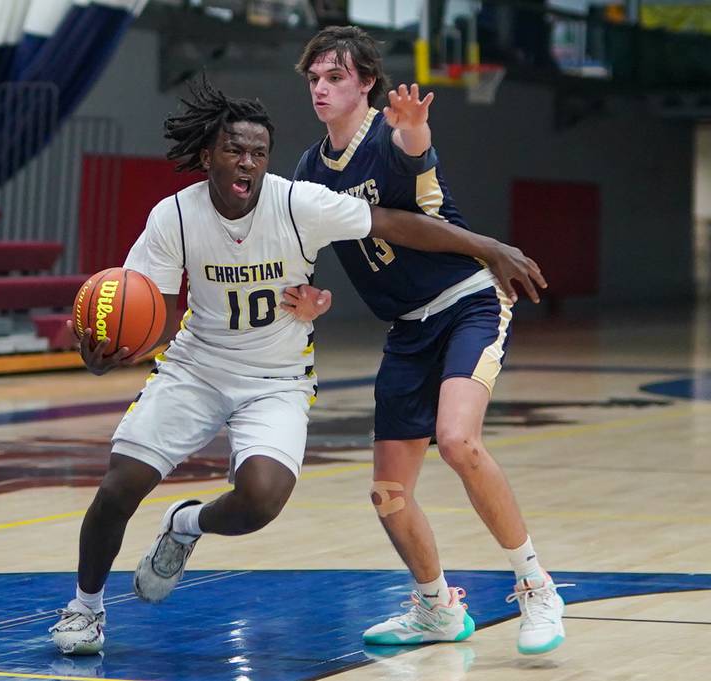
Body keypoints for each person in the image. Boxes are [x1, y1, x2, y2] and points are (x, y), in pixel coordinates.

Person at [49, 77, 542, 656]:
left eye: (259, 152)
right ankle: (84, 610)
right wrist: (115, 353)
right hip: (197, 368)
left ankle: (186, 524)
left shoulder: (295, 200)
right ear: (208, 155)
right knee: (120, 484)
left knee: (260, 499)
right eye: (235, 150)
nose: (248, 162)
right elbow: (151, 309)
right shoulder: (173, 217)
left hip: (276, 380)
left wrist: (488, 247)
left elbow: (392, 223)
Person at [292, 25, 570, 655]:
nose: (321, 88)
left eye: (335, 77)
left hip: (468, 300)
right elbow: (301, 245)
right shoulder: (310, 168)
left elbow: (414, 152)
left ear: (366, 83)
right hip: (407, 328)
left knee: (457, 441)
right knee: (388, 493)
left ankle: (537, 587)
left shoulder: (389, 138)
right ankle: (435, 606)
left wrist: (415, 126)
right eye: (314, 79)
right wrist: (313, 295)